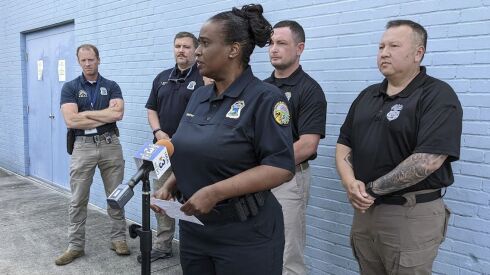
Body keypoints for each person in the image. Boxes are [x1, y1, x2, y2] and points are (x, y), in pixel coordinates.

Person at [151, 4, 295, 275]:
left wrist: (215, 192)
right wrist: (171, 184)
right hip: (195, 229)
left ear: (233, 50)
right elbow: (190, 149)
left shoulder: (265, 98)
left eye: (205, 43)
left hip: (246, 234)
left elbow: (280, 167)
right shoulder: (199, 96)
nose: (196, 51)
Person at [335, 20, 462, 274]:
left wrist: (371, 190)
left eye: (394, 45)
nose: (384, 52)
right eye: (381, 46)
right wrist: (350, 183)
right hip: (365, 211)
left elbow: (428, 161)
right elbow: (343, 144)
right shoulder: (367, 96)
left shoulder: (437, 95)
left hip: (410, 215)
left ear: (418, 53)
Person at [56, 44, 129, 265]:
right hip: (83, 146)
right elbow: (71, 120)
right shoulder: (70, 88)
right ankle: (75, 245)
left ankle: (119, 239)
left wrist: (86, 114)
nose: (88, 64)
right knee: (78, 198)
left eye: (91, 60)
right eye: (83, 60)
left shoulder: (111, 86)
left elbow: (118, 114)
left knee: (116, 195)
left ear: (99, 59)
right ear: (79, 62)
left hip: (110, 144)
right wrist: (104, 114)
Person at [265, 20, 327, 275]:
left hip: (289, 178)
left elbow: (307, 144)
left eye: (281, 43)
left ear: (299, 48)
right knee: (258, 245)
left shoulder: (310, 90)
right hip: (255, 177)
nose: (273, 49)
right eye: (270, 43)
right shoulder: (260, 88)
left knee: (288, 253)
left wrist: (265, 166)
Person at [142, 31, 204, 263]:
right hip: (163, 149)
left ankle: (195, 247)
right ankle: (163, 244)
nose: (181, 50)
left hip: (192, 153)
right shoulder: (162, 77)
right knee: (162, 196)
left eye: (187, 47)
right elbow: (151, 109)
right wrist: (158, 132)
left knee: (193, 197)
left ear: (196, 50)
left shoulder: (204, 78)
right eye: (178, 46)